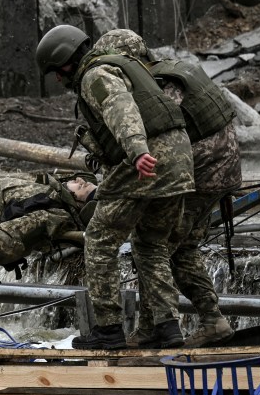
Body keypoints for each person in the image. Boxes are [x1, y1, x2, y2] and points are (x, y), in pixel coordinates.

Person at [35, 25, 195, 350]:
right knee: (151, 244)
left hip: (146, 161)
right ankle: (167, 326)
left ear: (65, 63)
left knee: (99, 240)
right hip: (180, 160)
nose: (57, 80)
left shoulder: (96, 75)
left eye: (55, 72)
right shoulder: (132, 69)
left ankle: (108, 329)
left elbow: (121, 108)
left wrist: (137, 149)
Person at [97, 30, 239, 349]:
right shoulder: (176, 67)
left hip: (200, 170)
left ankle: (199, 322)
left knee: (154, 243)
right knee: (178, 246)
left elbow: (161, 126)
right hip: (219, 165)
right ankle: (163, 326)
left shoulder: (160, 82)